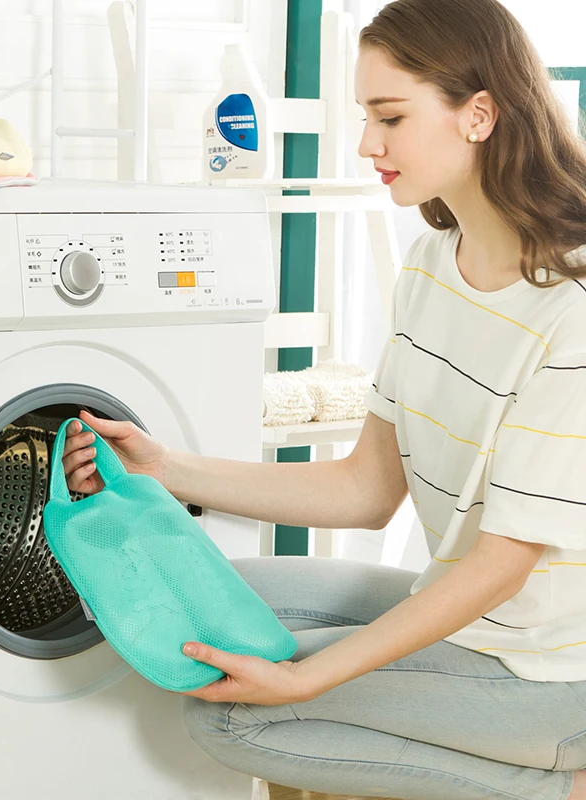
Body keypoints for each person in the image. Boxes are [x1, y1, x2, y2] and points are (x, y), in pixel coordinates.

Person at [62, 0, 586, 796]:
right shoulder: (430, 264)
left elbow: (499, 568)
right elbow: (367, 489)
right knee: (209, 605)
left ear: (479, 114)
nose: (367, 144)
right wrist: (165, 468)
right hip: (471, 615)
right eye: (363, 115)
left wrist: (308, 682)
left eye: (391, 116)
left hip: (551, 669)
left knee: (232, 714)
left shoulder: (570, 308)